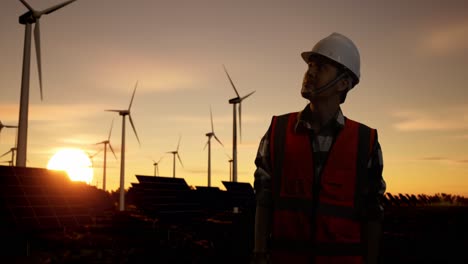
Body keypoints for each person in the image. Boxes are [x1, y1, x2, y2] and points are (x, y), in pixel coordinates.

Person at [252, 32, 386, 264]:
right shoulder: (278, 131)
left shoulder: (366, 141)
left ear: (344, 82)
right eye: (309, 66)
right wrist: (259, 252)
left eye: (321, 67)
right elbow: (264, 199)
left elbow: (373, 213)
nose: (310, 73)